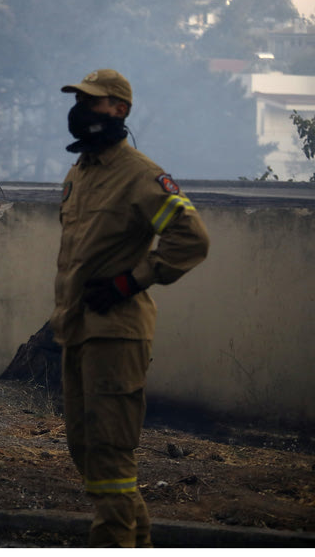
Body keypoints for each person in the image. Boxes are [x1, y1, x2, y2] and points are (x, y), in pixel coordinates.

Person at [50, 69, 210, 547]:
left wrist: (130, 280)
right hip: (78, 330)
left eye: (93, 102)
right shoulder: (78, 174)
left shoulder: (140, 176)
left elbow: (192, 239)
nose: (81, 110)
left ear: (120, 110)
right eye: (79, 100)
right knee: (85, 449)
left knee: (110, 451)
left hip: (117, 333)